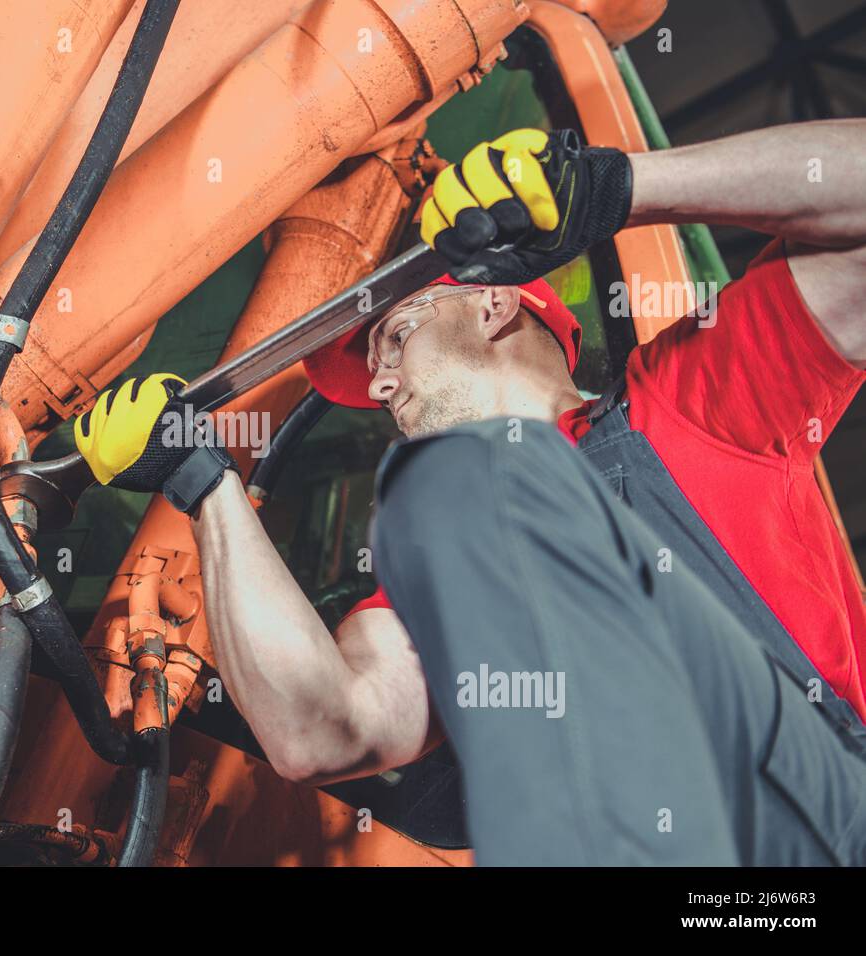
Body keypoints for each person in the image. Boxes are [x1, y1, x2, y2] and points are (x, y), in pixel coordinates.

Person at [72, 121, 866, 864]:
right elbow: (320, 729)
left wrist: (615, 189)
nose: (380, 383)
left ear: (492, 304)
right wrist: (204, 484)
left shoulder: (696, 404)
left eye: (395, 336)